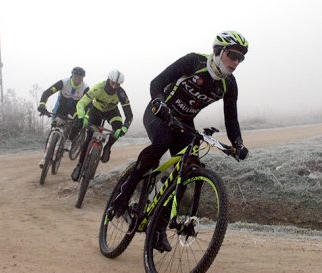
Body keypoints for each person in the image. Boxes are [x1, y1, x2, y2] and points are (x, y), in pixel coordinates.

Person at [109, 31, 251, 252]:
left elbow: (231, 118)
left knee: (189, 165)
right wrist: (158, 102)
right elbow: (157, 82)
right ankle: (123, 195)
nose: (236, 62)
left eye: (240, 58)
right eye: (232, 55)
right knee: (162, 141)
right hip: (159, 112)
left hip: (184, 121)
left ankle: (158, 228)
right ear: (218, 51)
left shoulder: (229, 84)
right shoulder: (194, 61)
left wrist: (238, 144)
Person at [71, 69, 133, 181]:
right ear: (108, 80)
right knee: (89, 137)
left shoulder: (121, 93)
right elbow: (81, 102)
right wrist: (81, 116)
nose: (114, 87)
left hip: (112, 112)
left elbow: (129, 115)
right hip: (96, 111)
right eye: (112, 83)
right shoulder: (98, 87)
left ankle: (108, 147)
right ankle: (79, 165)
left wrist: (124, 128)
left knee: (118, 129)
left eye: (117, 85)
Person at [37, 67, 89, 168]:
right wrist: (42, 104)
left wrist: (84, 117)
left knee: (78, 123)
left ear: (83, 78)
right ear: (72, 75)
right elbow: (46, 93)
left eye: (80, 77)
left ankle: (69, 140)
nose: (77, 79)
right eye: (75, 76)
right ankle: (45, 157)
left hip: (75, 109)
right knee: (54, 129)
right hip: (61, 107)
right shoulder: (63, 82)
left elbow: (88, 104)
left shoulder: (85, 88)